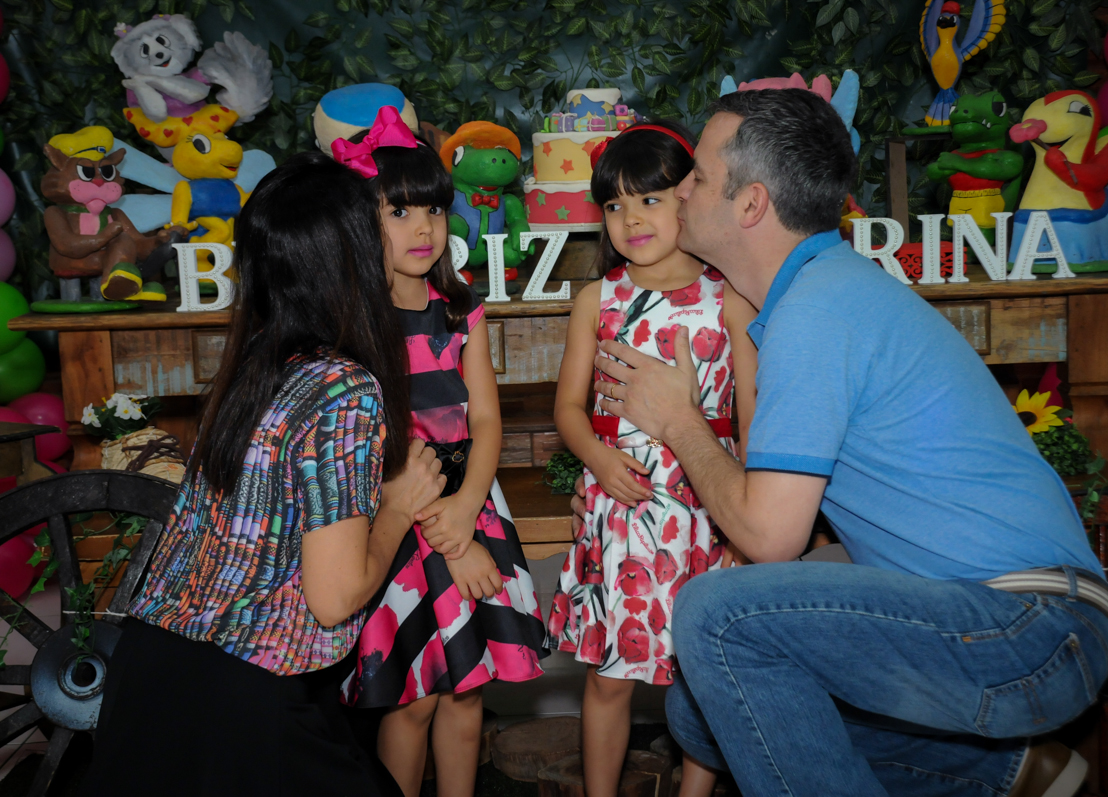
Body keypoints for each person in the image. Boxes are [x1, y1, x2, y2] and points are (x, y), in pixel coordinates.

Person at [585, 88, 1108, 796]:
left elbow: (772, 537)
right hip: (1010, 620)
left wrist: (680, 421)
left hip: (1029, 629)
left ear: (749, 204)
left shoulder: (816, 312)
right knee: (698, 710)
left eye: (700, 178)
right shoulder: (821, 292)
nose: (680, 189)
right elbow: (819, 540)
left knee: (715, 615)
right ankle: (1009, 772)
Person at [85, 151, 446, 796]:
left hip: (149, 678)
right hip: (246, 700)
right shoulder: (342, 388)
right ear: (352, 255)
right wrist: (400, 506)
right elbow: (332, 598)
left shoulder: (252, 364)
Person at [333, 107, 549, 797]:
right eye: (399, 212)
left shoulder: (462, 308)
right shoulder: (353, 323)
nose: (422, 228)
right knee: (416, 695)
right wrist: (452, 541)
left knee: (467, 689)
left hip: (470, 502)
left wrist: (467, 516)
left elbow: (486, 420)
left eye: (431, 209)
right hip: (403, 516)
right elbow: (388, 447)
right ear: (362, 223)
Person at [546, 120, 758, 797]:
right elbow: (569, 411)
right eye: (614, 204)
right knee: (611, 674)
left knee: (705, 673)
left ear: (689, 197)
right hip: (622, 512)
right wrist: (598, 462)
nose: (631, 217)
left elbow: (753, 424)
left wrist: (745, 532)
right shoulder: (595, 300)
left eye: (650, 199)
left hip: (707, 507)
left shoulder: (729, 301)